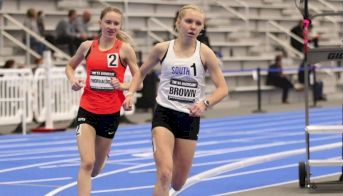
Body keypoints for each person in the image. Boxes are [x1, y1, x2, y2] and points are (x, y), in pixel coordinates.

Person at [123, 4, 228, 195]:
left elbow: (223, 89)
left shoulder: (205, 53)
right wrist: (130, 93)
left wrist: (205, 103)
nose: (192, 26)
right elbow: (141, 72)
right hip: (164, 115)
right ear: (178, 23)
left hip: (189, 119)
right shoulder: (162, 49)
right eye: (188, 21)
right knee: (164, 174)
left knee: (178, 183)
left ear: (202, 28)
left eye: (198, 23)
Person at [65, 6, 140, 195]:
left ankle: (105, 153)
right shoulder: (87, 46)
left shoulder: (125, 50)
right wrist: (73, 80)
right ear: (100, 23)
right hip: (87, 110)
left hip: (110, 113)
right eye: (108, 22)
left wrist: (126, 90)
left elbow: (138, 78)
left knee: (96, 170)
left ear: (120, 26)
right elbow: (69, 66)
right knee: (87, 162)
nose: (111, 26)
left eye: (116, 23)